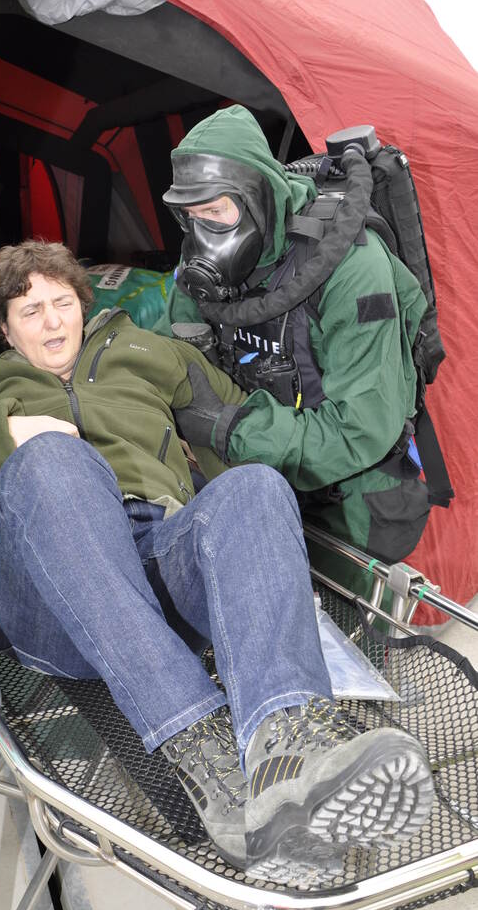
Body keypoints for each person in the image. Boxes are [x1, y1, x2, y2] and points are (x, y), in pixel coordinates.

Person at [0, 239, 434, 889]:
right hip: (48, 593)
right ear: (2, 328)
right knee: (53, 462)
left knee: (252, 487)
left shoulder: (152, 354)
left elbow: (237, 437)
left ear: (84, 304)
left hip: (159, 552)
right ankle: (199, 744)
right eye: (29, 311)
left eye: (60, 303)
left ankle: (284, 749)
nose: (50, 321)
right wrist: (4, 437)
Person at [152, 104, 433, 569]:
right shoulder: (199, 272)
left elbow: (361, 430)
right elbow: (170, 359)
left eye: (216, 212)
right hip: (258, 482)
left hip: (349, 504)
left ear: (259, 197)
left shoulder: (353, 270)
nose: (203, 236)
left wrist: (232, 428)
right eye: (190, 216)